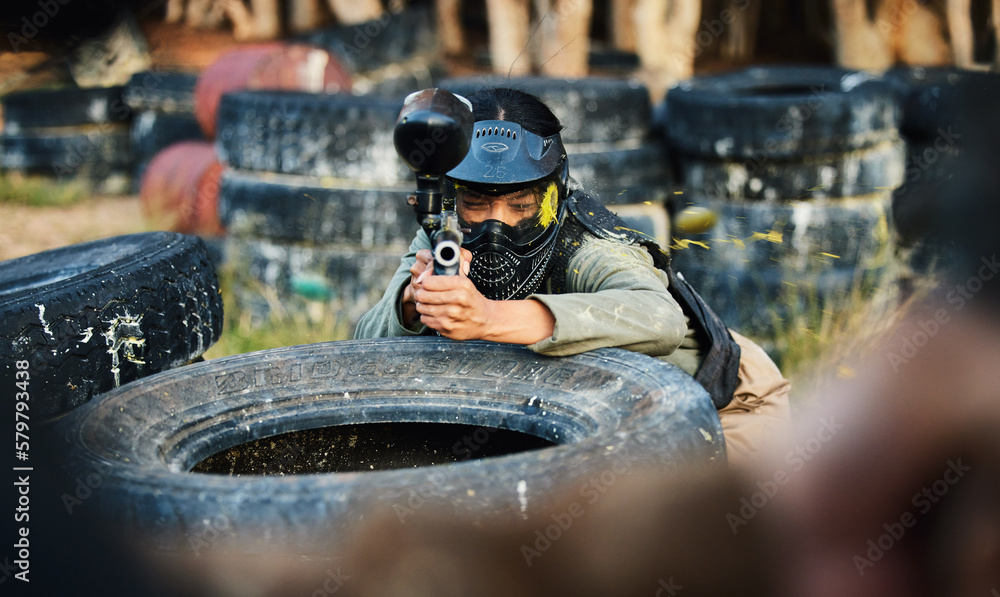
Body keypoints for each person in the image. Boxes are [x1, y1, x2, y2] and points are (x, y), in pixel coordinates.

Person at [355, 87, 790, 466]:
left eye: (521, 205)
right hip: (618, 407)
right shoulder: (444, 234)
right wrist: (413, 304)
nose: (496, 223)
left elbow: (661, 319)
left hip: (725, 403)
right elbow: (361, 353)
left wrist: (487, 318)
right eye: (476, 202)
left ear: (554, 195)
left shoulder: (584, 244)